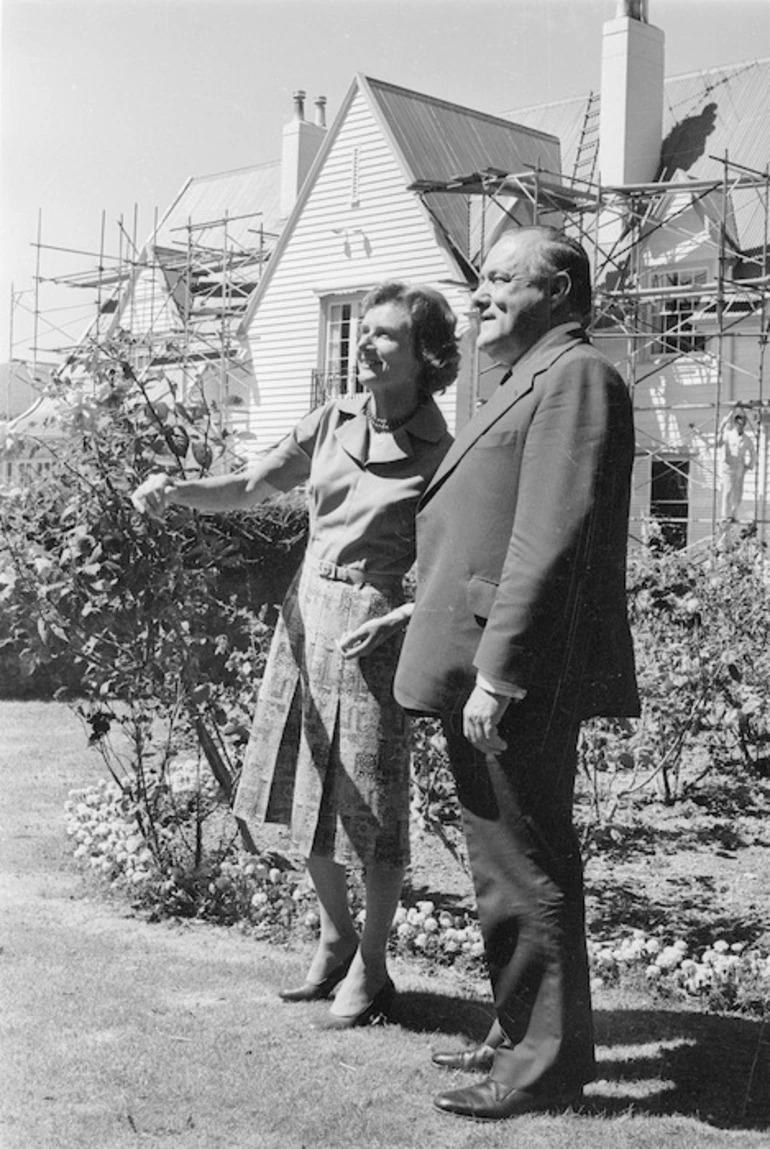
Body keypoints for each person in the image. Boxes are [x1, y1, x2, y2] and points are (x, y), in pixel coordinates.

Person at [131, 281, 457, 1027]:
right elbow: (250, 483)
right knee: (303, 796)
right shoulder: (332, 420)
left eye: (385, 336)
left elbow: (454, 566)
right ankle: (335, 936)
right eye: (363, 330)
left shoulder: (443, 450)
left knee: (371, 812)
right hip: (307, 618)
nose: (365, 344)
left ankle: (373, 971)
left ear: (426, 356)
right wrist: (176, 490)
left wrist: (401, 616)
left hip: (373, 632)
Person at [393, 226, 639, 1119]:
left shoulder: (575, 375)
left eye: (502, 277)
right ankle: (517, 1031)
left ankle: (539, 1067)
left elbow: (549, 539)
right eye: (478, 279)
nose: (479, 294)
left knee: (522, 865)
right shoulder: (524, 376)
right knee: (505, 859)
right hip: (485, 658)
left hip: (515, 671)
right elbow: (486, 530)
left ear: (561, 290)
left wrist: (501, 672)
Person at [718, 406, 755, 522]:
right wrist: (725, 421)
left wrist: (749, 465)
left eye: (743, 424)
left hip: (739, 466)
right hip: (728, 466)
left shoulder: (747, 439)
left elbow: (753, 452)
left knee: (738, 491)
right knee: (727, 490)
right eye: (739, 423)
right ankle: (725, 515)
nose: (741, 426)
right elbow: (719, 442)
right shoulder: (728, 434)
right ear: (735, 423)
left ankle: (734, 514)